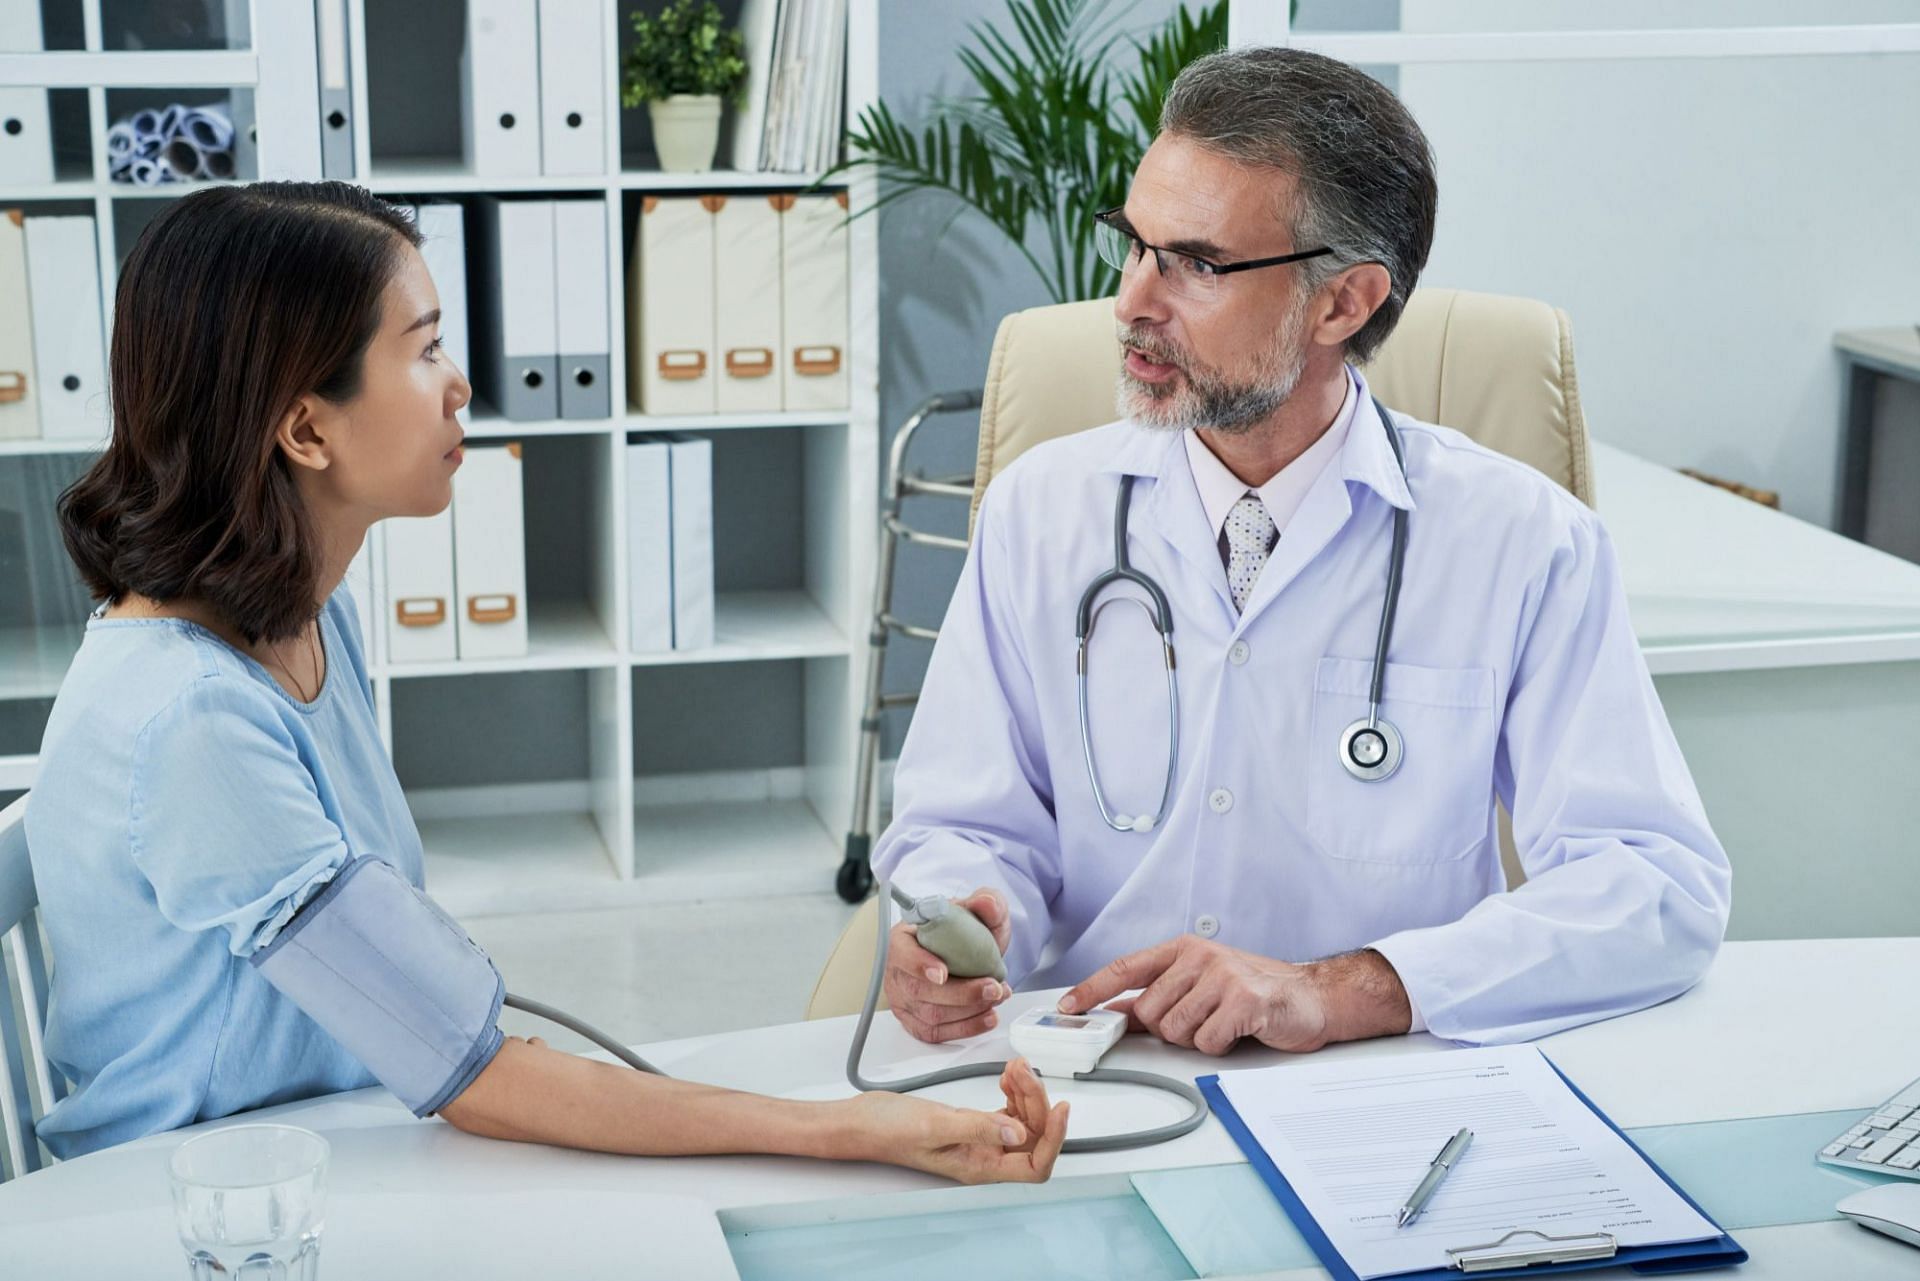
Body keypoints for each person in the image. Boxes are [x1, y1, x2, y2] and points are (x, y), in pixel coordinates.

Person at [26, 181, 1067, 1183]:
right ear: (306, 430)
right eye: (425, 348)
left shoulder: (299, 618)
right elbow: (468, 1069)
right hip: (191, 1208)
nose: (460, 383)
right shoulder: (193, 720)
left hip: (329, 1142)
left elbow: (434, 1038)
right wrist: (850, 1132)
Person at [874, 47, 1731, 1056]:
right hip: (1085, 1067)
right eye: (1135, 245)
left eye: (1195, 264)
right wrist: (957, 923)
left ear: (1344, 304)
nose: (1132, 303)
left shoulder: (1522, 544)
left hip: (1380, 1079)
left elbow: (1655, 887)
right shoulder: (1040, 514)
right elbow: (966, 823)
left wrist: (1342, 991)